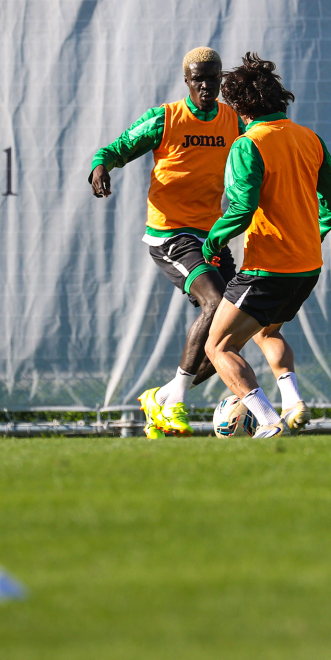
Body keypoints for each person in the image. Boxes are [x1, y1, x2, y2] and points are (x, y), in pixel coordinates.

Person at [90, 47, 241, 438]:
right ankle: (174, 403)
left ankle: (162, 397)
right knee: (215, 302)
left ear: (221, 79)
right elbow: (115, 149)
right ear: (186, 81)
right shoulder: (165, 118)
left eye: (213, 78)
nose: (206, 86)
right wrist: (100, 167)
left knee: (233, 329)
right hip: (171, 234)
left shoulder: (234, 121)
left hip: (211, 236)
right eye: (198, 79)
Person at [202, 53, 331, 437]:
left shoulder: (248, 144)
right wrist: (315, 232)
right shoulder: (309, 138)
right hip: (307, 268)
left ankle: (268, 421)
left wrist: (213, 242)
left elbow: (241, 208)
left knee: (218, 347)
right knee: (266, 332)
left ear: (240, 107)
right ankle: (293, 402)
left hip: (268, 270)